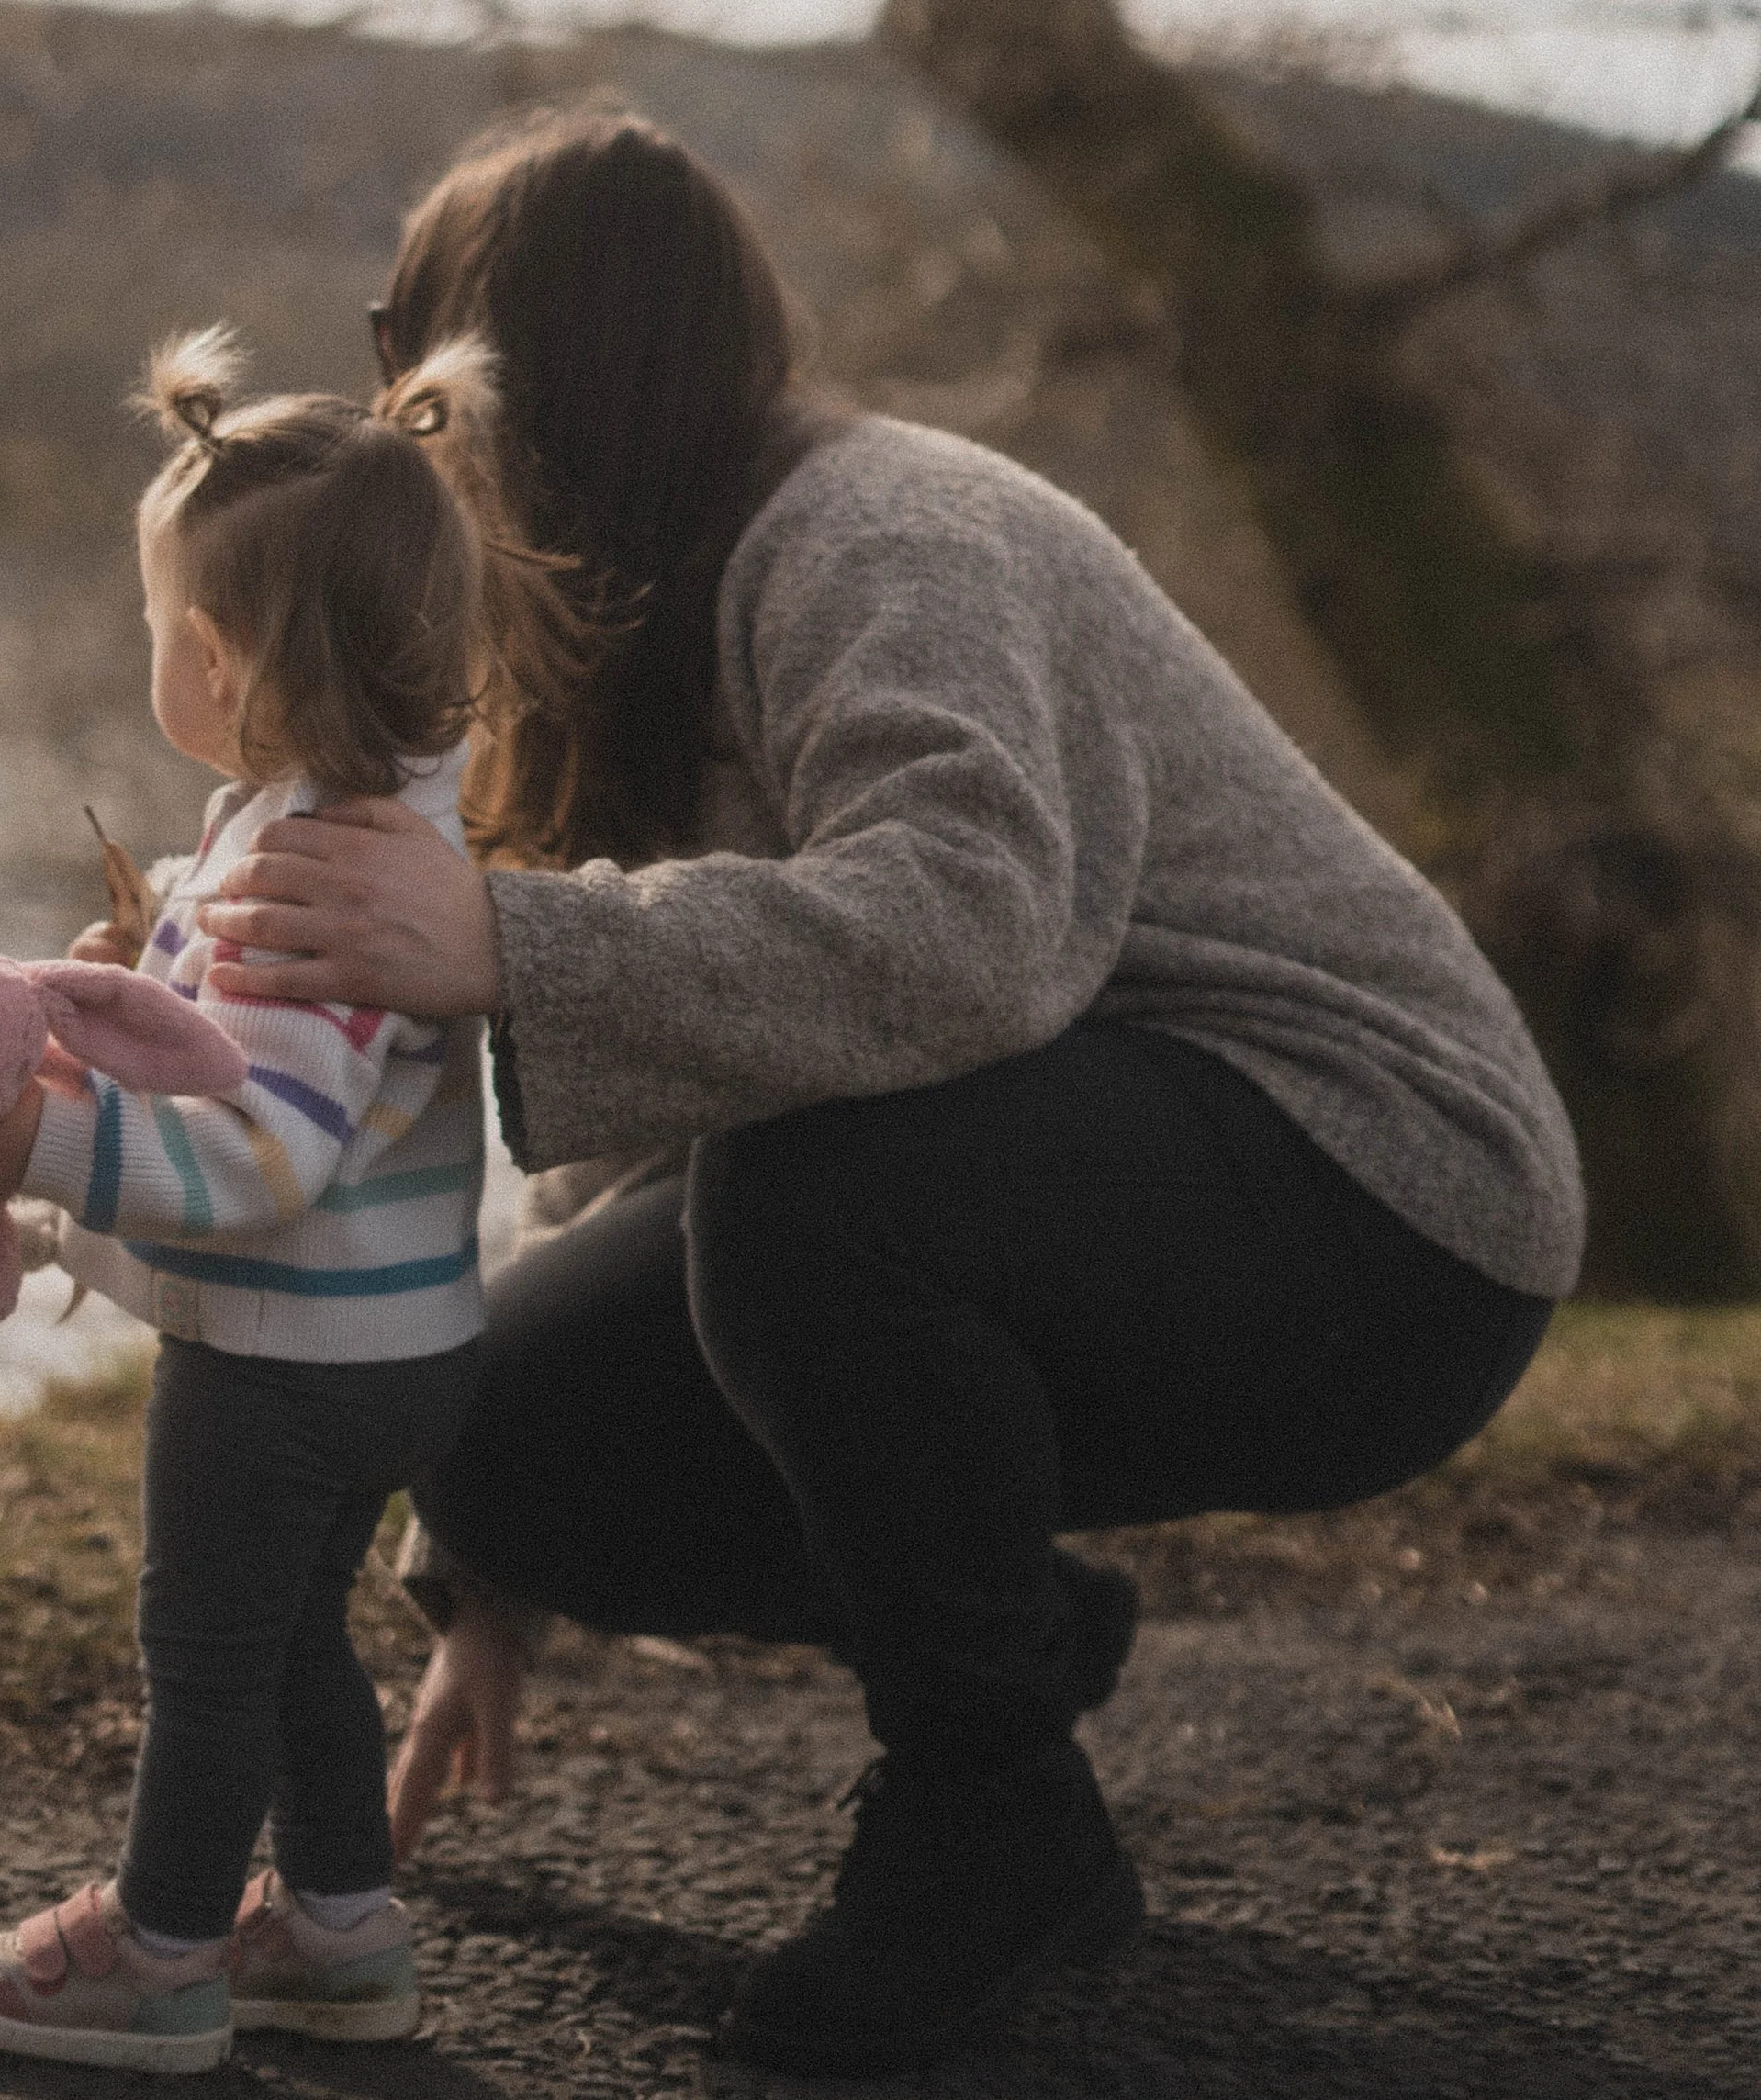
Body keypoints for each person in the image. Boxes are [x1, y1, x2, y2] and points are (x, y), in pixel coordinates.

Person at [192, 107, 1587, 2083]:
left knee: (823, 1198)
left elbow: (960, 938)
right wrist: (482, 1559)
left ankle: (989, 1816)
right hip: (1109, 1189)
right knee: (490, 1408)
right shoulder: (654, 619)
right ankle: (997, 1631)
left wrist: (504, 945)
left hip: (1387, 1207)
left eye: (397, 341)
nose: (383, 409)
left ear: (519, 368)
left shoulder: (882, 531)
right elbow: (707, 1055)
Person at [0, 324, 582, 2077]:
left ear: (209, 653)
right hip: (397, 1343)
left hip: (283, 1361)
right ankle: (343, 1933)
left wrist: (35, 1152)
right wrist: (146, 984)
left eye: (155, 631)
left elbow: (263, 1157)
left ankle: (162, 1948)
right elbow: (280, 1072)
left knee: (203, 1650)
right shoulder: (371, 826)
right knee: (291, 1637)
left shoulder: (303, 868)